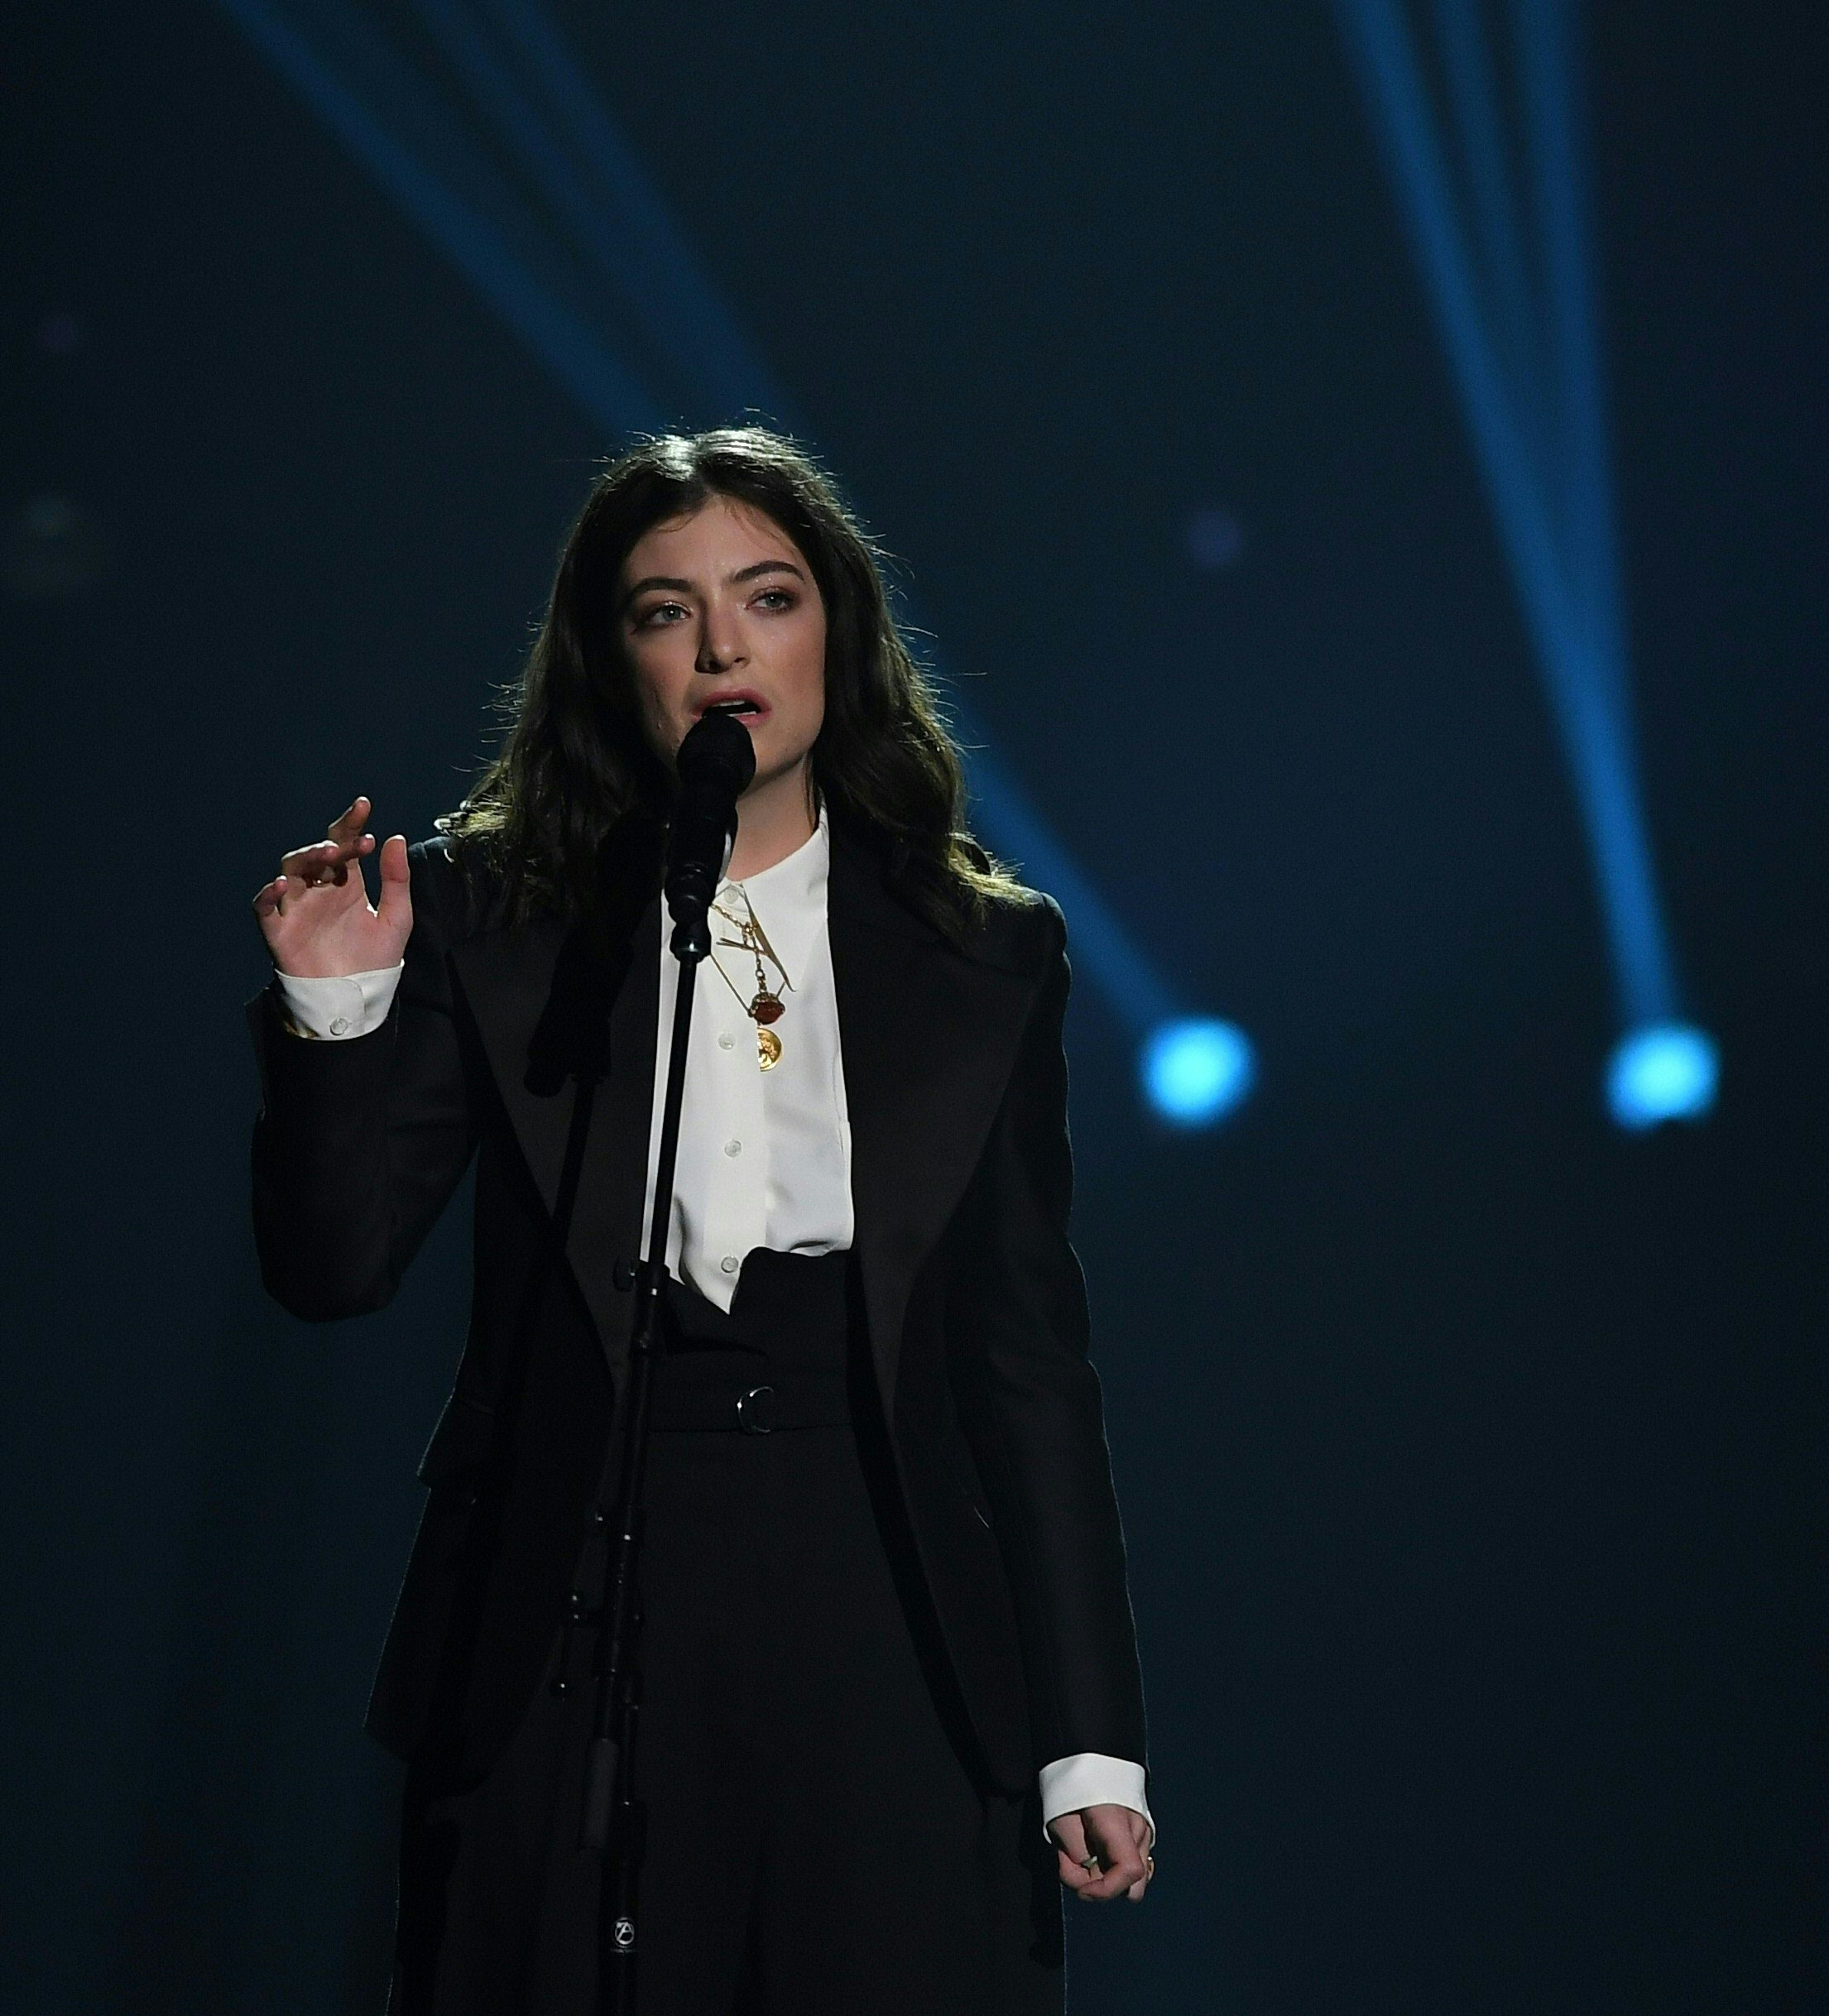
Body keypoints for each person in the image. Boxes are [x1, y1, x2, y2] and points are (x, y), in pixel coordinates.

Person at [247, 426, 1152, 2012]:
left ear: (838, 635)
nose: (723, 645)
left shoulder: (982, 953)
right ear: (614, 660)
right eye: (666, 610)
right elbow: (334, 1274)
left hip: (884, 1600)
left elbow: (1027, 1365)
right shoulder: (495, 917)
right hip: (577, 1598)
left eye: (769, 596)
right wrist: (339, 1016)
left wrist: (1089, 1732)